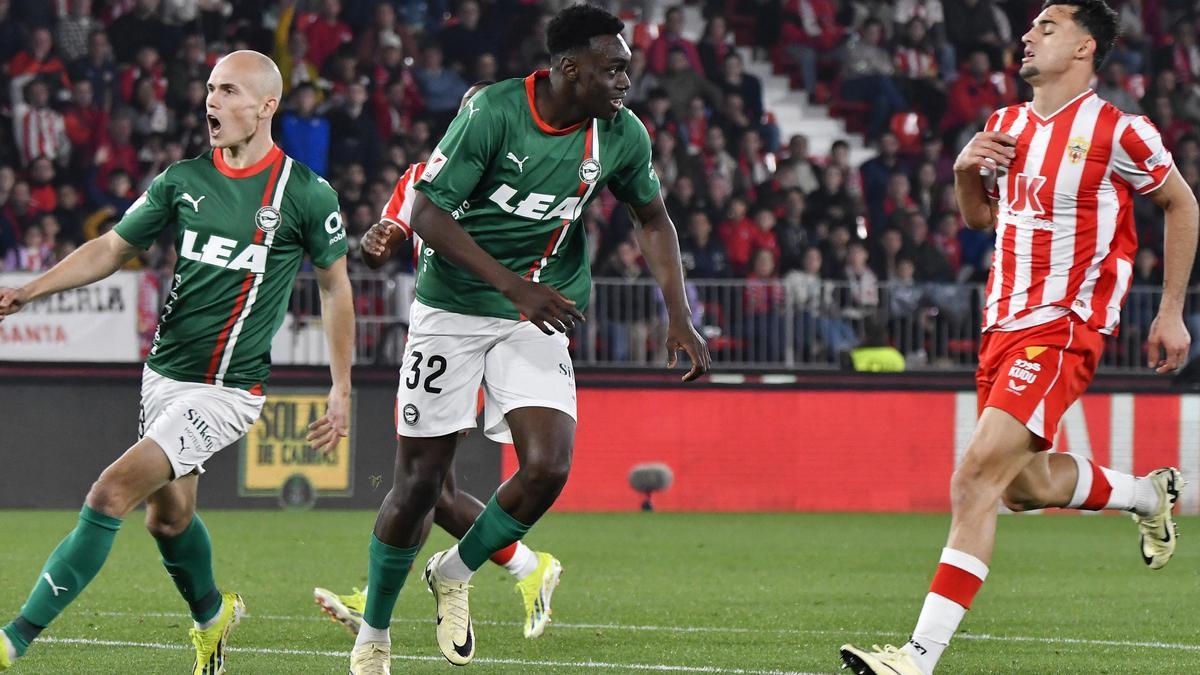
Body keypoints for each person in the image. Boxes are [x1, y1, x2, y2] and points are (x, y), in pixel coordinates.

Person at [347, 5, 710, 673]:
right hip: (452, 309)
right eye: (614, 69)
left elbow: (652, 219)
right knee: (420, 482)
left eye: (626, 69)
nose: (626, 81)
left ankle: (454, 569)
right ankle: (373, 635)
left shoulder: (622, 135)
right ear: (569, 69)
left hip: (537, 311)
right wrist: (513, 284)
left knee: (547, 464)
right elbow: (426, 212)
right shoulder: (492, 113)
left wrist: (679, 314)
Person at [840, 2, 1199, 673]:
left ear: (1085, 47)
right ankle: (1149, 495)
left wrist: (1170, 309)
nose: (1028, 35)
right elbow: (983, 218)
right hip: (1001, 327)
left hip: (1062, 326)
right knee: (1020, 485)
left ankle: (916, 658)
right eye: (1030, 25)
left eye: (1047, 26)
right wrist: (962, 173)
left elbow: (1183, 202)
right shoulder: (1002, 125)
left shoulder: (1118, 130)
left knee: (974, 477)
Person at [0, 50, 356, 675]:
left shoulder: (304, 192)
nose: (211, 102)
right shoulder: (181, 180)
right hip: (164, 377)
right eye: (210, 89)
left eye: (228, 91)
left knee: (111, 493)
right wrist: (28, 290)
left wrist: (342, 387)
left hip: (227, 391)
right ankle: (213, 616)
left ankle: (14, 640)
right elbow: (113, 247)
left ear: (267, 106)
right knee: (169, 521)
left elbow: (335, 288)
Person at [313, 81, 565, 643]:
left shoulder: (527, 180)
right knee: (429, 485)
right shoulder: (423, 178)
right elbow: (392, 229)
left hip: (500, 333)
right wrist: (377, 240)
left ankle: (405, 595)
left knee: (425, 483)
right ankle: (527, 569)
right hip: (437, 338)